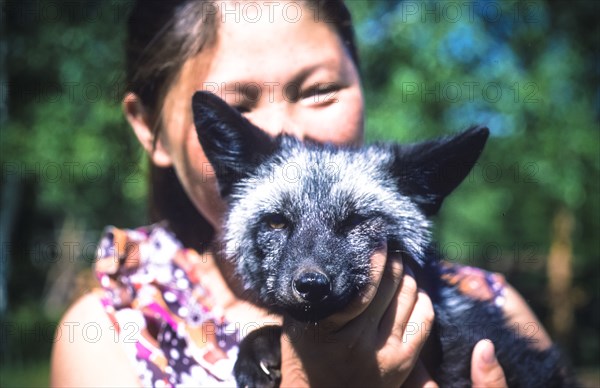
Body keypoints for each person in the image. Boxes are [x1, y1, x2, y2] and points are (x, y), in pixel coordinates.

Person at [51, 1, 553, 386]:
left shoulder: (494, 304)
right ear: (148, 127)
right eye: (237, 104)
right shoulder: (111, 338)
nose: (287, 132)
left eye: (318, 91)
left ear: (361, 80)